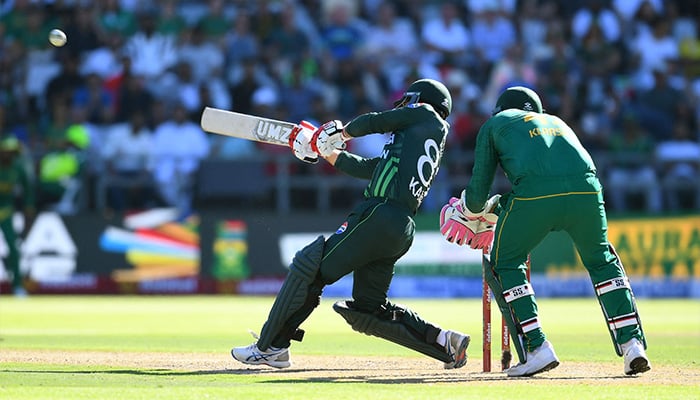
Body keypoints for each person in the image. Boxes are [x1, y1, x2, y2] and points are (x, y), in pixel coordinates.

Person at [231, 79, 471, 370]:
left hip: (378, 214)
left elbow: (376, 121)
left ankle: (270, 347)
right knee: (368, 310)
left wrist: (338, 132)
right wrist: (325, 150)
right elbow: (365, 168)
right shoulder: (416, 141)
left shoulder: (424, 114)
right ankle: (445, 342)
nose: (404, 107)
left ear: (422, 101)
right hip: (400, 227)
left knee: (311, 268)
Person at [439, 86, 651, 377]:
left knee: (505, 262)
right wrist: (499, 207)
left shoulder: (495, 124)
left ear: (501, 109)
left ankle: (538, 348)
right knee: (602, 261)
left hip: (534, 196)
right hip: (587, 193)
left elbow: (477, 196)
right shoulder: (558, 122)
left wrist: (470, 212)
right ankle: (632, 345)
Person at [0, 137, 35, 296]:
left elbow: (28, 194)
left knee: (13, 248)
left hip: (5, 211)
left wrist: (29, 217)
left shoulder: (18, 168)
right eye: (7, 152)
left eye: (13, 153)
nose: (10, 156)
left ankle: (18, 286)